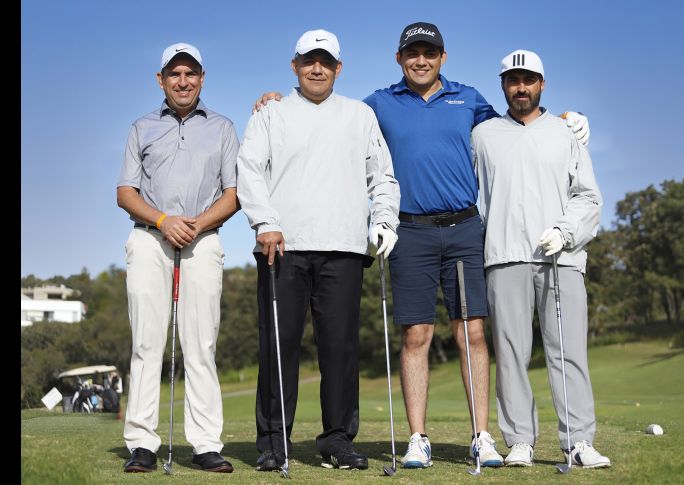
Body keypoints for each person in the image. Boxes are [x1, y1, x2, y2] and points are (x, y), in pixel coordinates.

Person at [251, 22, 589, 469]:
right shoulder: (376, 105)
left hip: (466, 228)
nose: (421, 60)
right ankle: (417, 438)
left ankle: (483, 436)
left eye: (430, 52)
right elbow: (327, 117)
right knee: (416, 334)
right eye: (413, 52)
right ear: (400, 58)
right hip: (411, 232)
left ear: (442, 57)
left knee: (472, 332)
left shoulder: (470, 100)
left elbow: (519, 126)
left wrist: (561, 119)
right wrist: (273, 99)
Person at [236, 29, 400, 472]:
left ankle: (337, 439)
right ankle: (274, 442)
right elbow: (249, 171)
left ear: (338, 68)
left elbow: (382, 176)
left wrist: (384, 219)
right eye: (309, 60)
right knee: (278, 346)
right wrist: (265, 222)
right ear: (295, 65)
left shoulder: (360, 115)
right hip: (281, 248)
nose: (317, 68)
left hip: (344, 248)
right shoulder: (271, 113)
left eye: (325, 61)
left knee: (340, 350)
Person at [472, 49, 611, 468]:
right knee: (511, 353)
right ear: (503, 85)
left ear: (542, 84)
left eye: (528, 79)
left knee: (568, 351)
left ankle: (578, 441)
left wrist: (565, 232)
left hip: (562, 259)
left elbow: (588, 197)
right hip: (505, 256)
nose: (521, 87)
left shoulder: (567, 133)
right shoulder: (482, 135)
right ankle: (519, 441)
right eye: (513, 80)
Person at [116, 42, 239, 473]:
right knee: (147, 342)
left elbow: (233, 194)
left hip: (203, 239)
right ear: (161, 80)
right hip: (150, 237)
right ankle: (142, 444)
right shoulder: (141, 127)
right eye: (174, 74)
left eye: (191, 74)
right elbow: (125, 193)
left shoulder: (223, 127)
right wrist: (165, 220)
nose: (183, 82)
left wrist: (197, 224)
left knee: (201, 343)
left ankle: (205, 444)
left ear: (202, 79)